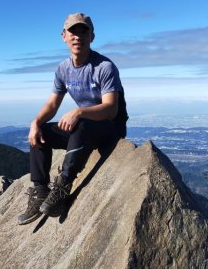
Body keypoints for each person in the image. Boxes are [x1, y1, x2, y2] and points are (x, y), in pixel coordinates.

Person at [18, 12, 128, 225]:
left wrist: (79, 111)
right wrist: (35, 123)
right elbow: (52, 104)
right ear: (64, 37)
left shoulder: (104, 67)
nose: (78, 36)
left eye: (83, 31)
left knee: (82, 123)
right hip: (85, 129)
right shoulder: (63, 69)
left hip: (110, 129)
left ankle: (62, 187)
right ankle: (40, 190)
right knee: (42, 133)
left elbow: (111, 109)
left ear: (92, 37)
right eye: (73, 32)